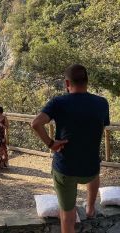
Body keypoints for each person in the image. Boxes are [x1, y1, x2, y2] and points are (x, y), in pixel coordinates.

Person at [31, 64, 110, 233]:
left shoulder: (59, 102)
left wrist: (51, 144)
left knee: (67, 217)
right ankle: (90, 209)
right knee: (95, 169)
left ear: (67, 83)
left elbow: (36, 123)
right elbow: (98, 128)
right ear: (87, 82)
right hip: (90, 169)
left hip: (66, 169)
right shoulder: (102, 103)